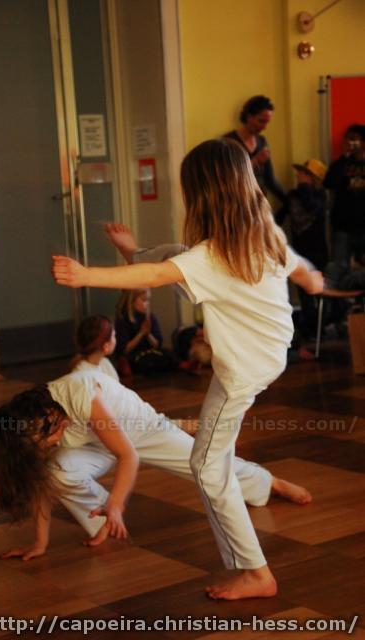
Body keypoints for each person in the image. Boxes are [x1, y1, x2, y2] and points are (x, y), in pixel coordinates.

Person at [52, 139, 323, 600]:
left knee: (207, 466)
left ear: (201, 194)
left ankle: (256, 572)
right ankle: (257, 520)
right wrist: (310, 278)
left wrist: (86, 275)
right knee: (178, 256)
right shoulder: (264, 236)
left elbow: (159, 276)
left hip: (242, 371)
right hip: (271, 352)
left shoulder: (213, 256)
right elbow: (294, 264)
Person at [0, 313, 311, 562]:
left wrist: (117, 503)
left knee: (203, 466)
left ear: (45, 418)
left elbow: (129, 456)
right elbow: (40, 485)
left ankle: (269, 482)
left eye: (44, 441)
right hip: (97, 443)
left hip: (142, 431)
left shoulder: (78, 393)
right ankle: (101, 524)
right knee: (57, 470)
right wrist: (39, 544)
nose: (48, 445)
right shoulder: (39, 425)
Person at [276, 159, 328, 339]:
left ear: (313, 178)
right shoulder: (293, 195)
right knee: (304, 294)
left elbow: (313, 207)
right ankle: (310, 330)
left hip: (318, 252)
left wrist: (305, 188)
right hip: (299, 252)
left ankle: (321, 328)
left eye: (303, 173)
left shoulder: (320, 196)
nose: (298, 175)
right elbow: (279, 217)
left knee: (321, 291)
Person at [223, 95, 286, 205]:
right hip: (237, 204)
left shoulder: (262, 141)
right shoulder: (228, 142)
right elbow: (227, 179)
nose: (264, 127)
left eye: (267, 122)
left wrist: (290, 201)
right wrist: (255, 161)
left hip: (259, 203)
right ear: (249, 117)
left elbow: (270, 179)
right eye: (261, 121)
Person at [324, 124, 365, 288]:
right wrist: (345, 157)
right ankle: (334, 302)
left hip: (363, 226)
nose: (349, 142)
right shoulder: (340, 164)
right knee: (337, 267)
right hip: (343, 227)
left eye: (353, 139)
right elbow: (329, 183)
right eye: (347, 138)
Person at [114, 289, 174, 376]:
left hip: (149, 353)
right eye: (144, 300)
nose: (147, 304)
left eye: (148, 300)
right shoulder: (123, 320)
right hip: (133, 356)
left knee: (169, 356)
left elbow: (157, 345)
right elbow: (124, 350)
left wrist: (148, 334)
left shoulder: (150, 317)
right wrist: (141, 333)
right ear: (132, 301)